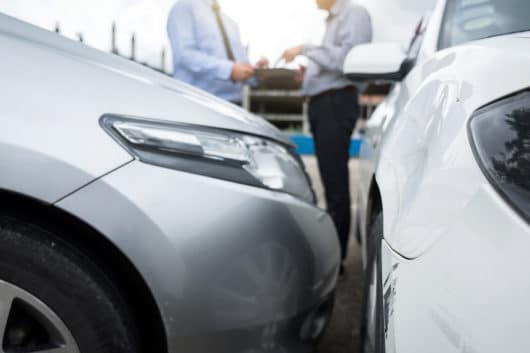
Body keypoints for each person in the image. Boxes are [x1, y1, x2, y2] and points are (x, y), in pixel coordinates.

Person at [281, 0, 372, 273]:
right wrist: (308, 74)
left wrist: (305, 49)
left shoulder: (354, 14)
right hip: (325, 102)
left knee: (335, 185)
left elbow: (345, 60)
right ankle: (334, 258)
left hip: (335, 102)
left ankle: (335, 263)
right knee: (331, 181)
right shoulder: (334, 20)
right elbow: (331, 63)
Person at [167, 0, 268, 105]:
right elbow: (185, 55)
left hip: (235, 105)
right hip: (197, 102)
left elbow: (239, 65)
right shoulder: (184, 7)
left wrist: (254, 72)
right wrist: (229, 70)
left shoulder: (231, 23)